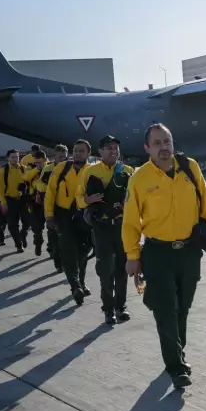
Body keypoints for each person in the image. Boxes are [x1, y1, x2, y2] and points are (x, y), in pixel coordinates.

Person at [123, 123, 206, 388]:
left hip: (189, 252)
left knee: (183, 309)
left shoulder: (189, 168)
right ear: (147, 148)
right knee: (166, 310)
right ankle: (176, 366)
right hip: (158, 254)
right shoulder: (139, 179)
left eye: (166, 141)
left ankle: (177, 353)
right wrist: (132, 255)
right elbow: (131, 222)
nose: (163, 147)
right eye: (156, 143)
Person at [79, 135, 135, 325]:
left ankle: (121, 307)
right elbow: (79, 197)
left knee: (122, 267)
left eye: (115, 148)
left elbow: (136, 199)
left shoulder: (128, 171)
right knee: (105, 269)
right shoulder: (90, 171)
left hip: (121, 226)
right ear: (100, 151)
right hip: (101, 226)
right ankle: (108, 309)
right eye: (108, 148)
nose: (113, 151)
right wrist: (89, 200)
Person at [46, 139, 93, 304]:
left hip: (84, 217)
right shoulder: (61, 168)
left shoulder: (92, 170)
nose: (78, 153)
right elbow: (50, 193)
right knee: (68, 252)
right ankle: (75, 286)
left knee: (83, 253)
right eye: (76, 150)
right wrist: (49, 216)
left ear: (89, 154)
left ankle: (82, 281)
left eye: (82, 151)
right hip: (63, 215)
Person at [40, 145, 68, 273]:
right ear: (55, 156)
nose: (63, 159)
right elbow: (38, 184)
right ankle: (58, 262)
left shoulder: (70, 167)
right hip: (52, 206)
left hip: (67, 208)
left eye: (64, 156)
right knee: (54, 237)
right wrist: (48, 187)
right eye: (60, 156)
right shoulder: (48, 169)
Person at [0, 149, 29, 252]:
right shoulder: (4, 171)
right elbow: (1, 189)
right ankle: (18, 244)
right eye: (13, 157)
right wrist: (4, 203)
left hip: (22, 199)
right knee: (12, 224)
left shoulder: (24, 169)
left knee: (27, 221)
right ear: (8, 158)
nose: (15, 159)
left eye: (17, 157)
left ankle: (23, 234)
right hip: (10, 200)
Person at [24, 150, 49, 256]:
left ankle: (51, 248)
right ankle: (38, 243)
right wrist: (36, 169)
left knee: (51, 227)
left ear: (45, 160)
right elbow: (25, 177)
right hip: (34, 202)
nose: (38, 164)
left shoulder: (50, 168)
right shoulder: (31, 168)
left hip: (47, 201)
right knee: (37, 227)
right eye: (36, 162)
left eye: (40, 162)